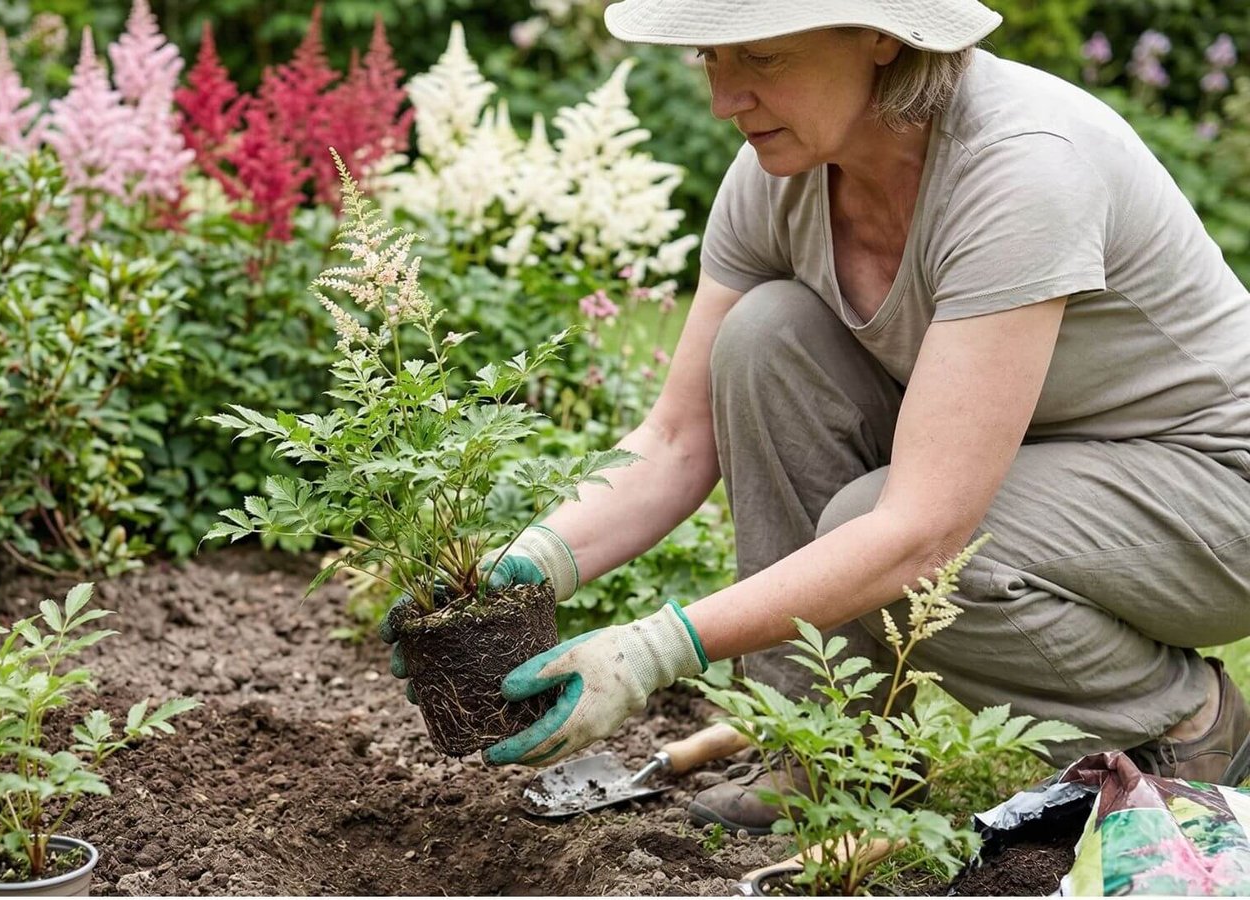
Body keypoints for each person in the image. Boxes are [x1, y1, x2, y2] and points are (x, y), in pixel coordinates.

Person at [381, 0, 1250, 833]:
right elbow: (677, 440)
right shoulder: (782, 176)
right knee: (765, 338)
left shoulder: (1022, 165)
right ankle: (825, 746)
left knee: (885, 532)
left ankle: (1183, 725)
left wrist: (652, 651)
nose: (726, 99)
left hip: (1210, 489)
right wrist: (516, 573)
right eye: (711, 59)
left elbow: (922, 532)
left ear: (878, 37)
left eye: (761, 57)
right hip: (1043, 469)